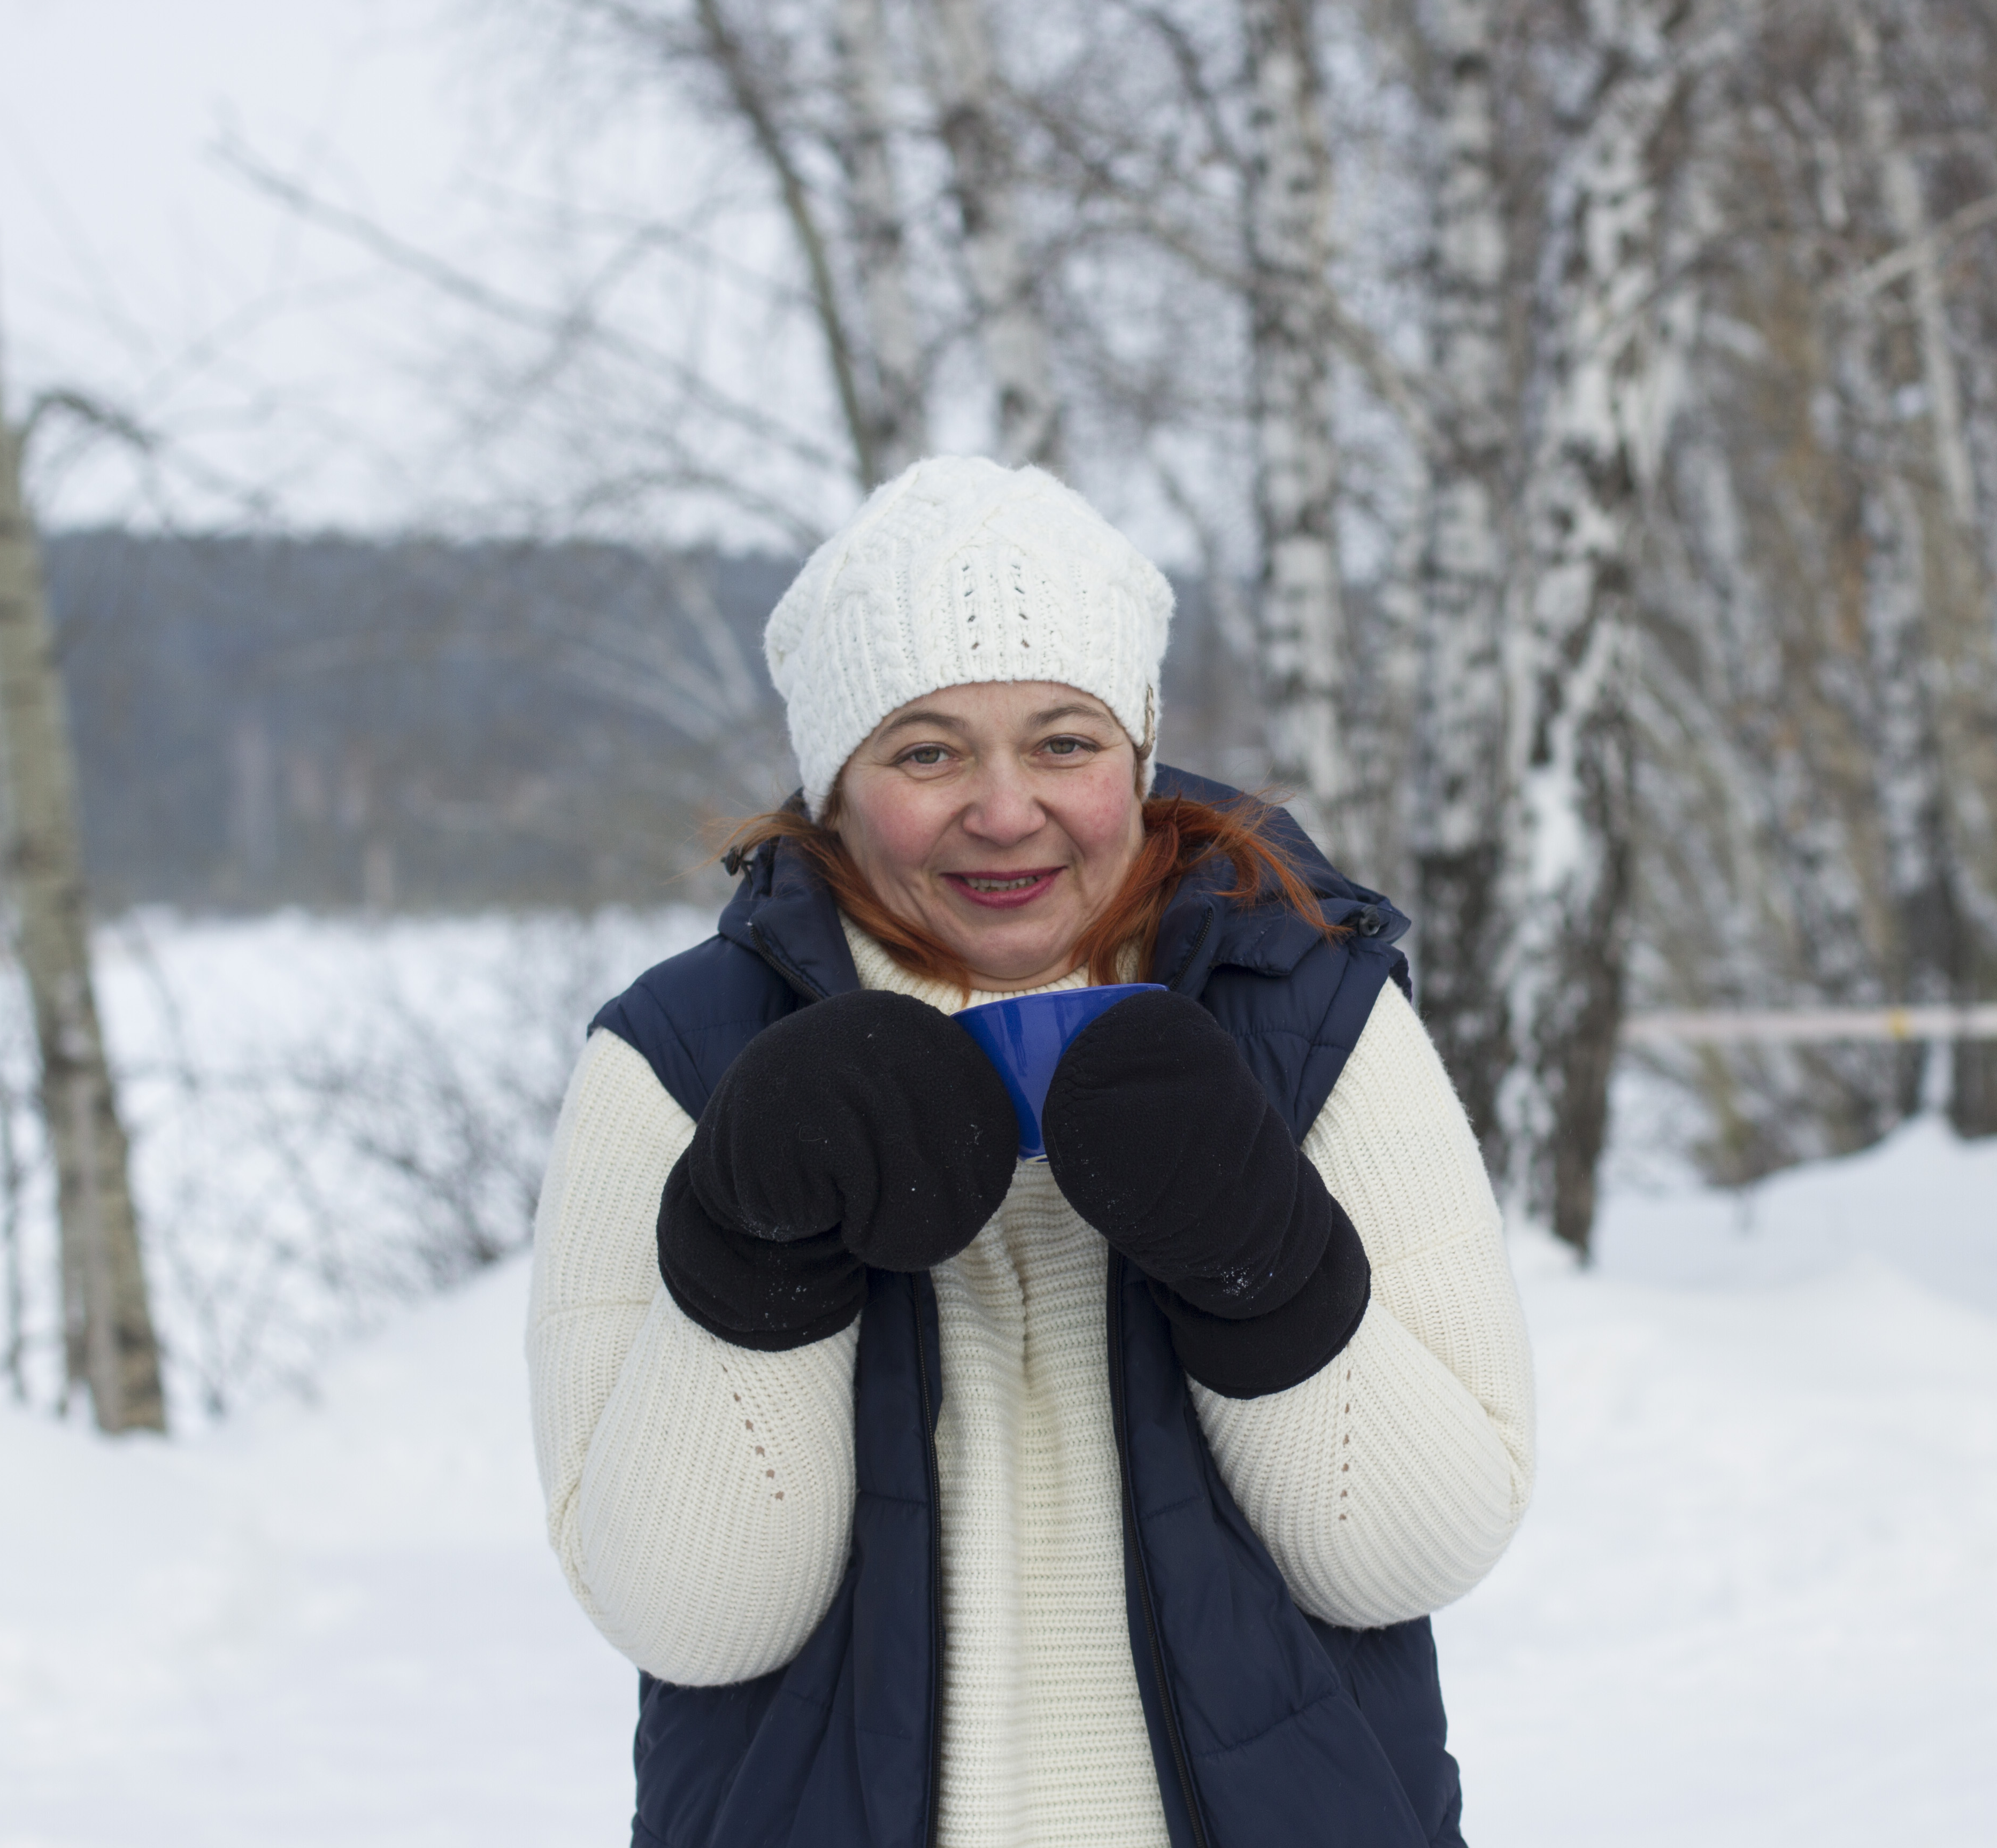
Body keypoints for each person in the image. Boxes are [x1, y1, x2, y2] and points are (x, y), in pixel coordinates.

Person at [527, 457, 1534, 1848]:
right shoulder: (679, 1065)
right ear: (833, 785)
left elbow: (1418, 1551)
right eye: (928, 752)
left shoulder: (1312, 1021)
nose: (1005, 812)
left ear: (1137, 753)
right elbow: (692, 1622)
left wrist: (1263, 1260)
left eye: (1064, 743)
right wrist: (750, 1251)